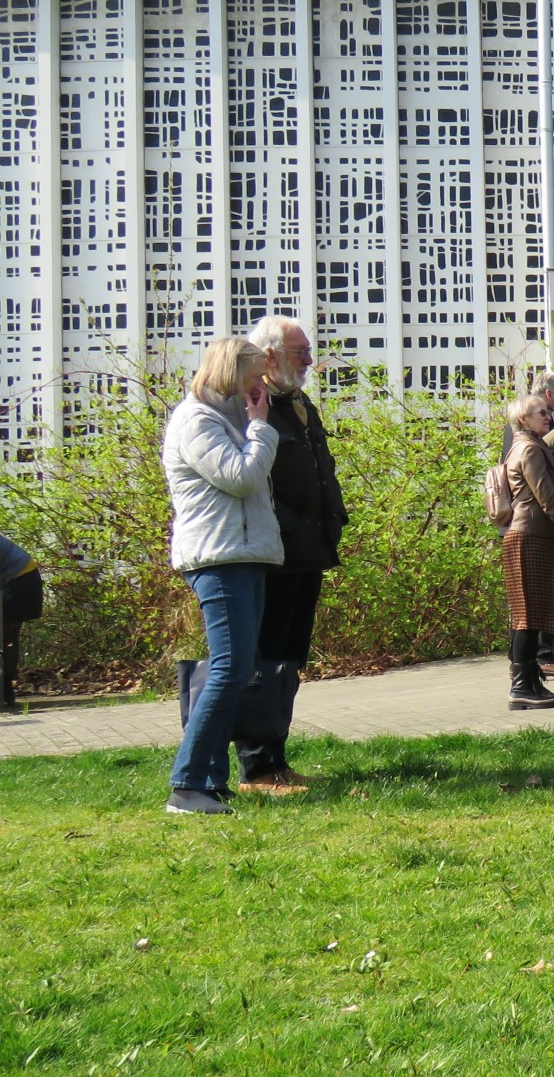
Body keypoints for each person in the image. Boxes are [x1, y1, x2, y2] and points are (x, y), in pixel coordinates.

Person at [162, 336, 283, 815]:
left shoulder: (227, 418)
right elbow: (242, 477)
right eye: (254, 379)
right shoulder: (196, 420)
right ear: (231, 375)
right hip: (217, 556)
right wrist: (260, 429)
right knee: (230, 667)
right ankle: (186, 785)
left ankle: (208, 781)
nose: (260, 389)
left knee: (231, 668)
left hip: (243, 553)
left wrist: (255, 424)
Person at [231, 316, 347, 792]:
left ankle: (277, 760)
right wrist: (293, 527)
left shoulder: (299, 404)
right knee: (266, 659)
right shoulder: (249, 406)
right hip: (275, 555)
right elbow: (253, 482)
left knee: (289, 660)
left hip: (308, 553)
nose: (308, 359)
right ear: (270, 356)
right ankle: (257, 768)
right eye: (300, 351)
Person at [500, 394, 554, 710]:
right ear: (523, 418)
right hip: (530, 536)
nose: (548, 416)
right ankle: (522, 685)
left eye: (548, 411)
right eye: (542, 412)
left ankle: (530, 681)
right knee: (526, 615)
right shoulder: (528, 448)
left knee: (531, 613)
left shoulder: (526, 445)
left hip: (531, 535)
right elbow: (547, 497)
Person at [0, 530, 41, 714]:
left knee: (6, 637)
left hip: (21, 581)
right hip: (23, 578)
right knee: (8, 637)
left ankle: (5, 689)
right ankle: (6, 691)